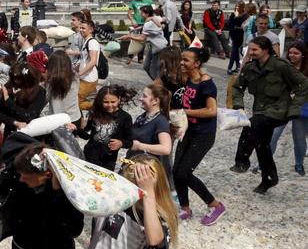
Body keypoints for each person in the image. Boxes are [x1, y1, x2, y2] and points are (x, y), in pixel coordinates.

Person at [230, 36, 308, 193]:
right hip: (261, 110)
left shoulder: (281, 66)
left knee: (251, 126)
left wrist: (295, 107)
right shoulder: (250, 67)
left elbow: (303, 84)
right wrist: (239, 105)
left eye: (254, 50)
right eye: (249, 49)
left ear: (265, 50)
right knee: (262, 144)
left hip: (279, 110)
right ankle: (269, 179)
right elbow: (238, 87)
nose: (250, 52)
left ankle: (242, 161)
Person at [175, 46, 225, 224]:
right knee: (176, 171)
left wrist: (184, 113)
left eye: (186, 60)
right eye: (181, 58)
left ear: (197, 63)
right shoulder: (187, 79)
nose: (181, 62)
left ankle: (215, 205)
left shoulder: (207, 84)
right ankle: (185, 208)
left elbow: (211, 111)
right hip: (188, 131)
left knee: (184, 172)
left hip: (203, 135)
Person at [268, 43, 308, 176]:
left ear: (303, 54)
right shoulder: (283, 67)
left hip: (301, 108)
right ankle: (264, 163)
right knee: (273, 135)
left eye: (296, 53)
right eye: (290, 52)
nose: (292, 55)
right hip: (282, 107)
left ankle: (299, 164)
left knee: (299, 138)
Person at [78, 85, 134, 172]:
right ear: (101, 101)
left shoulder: (125, 117)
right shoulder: (95, 113)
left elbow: (130, 142)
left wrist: (121, 143)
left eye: (113, 102)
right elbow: (87, 136)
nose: (110, 105)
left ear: (119, 99)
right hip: (89, 156)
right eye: (106, 102)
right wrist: (76, 129)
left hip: (108, 161)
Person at [127, 83, 174, 182]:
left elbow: (166, 149)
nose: (140, 98)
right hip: (132, 163)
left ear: (155, 101)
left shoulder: (161, 121)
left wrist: (140, 146)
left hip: (145, 171)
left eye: (144, 96)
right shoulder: (142, 117)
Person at [45, 49, 81, 129]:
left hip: (57, 119)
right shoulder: (75, 76)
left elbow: (46, 97)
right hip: (74, 117)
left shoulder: (51, 81)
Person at [77, 16, 102, 111]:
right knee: (79, 100)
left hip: (88, 78)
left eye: (83, 28)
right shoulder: (86, 41)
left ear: (91, 30)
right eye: (80, 28)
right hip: (85, 77)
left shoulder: (92, 42)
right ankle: (81, 122)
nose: (81, 30)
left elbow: (92, 62)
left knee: (77, 102)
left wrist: (79, 73)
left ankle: (98, 109)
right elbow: (85, 60)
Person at [126, 0, 154, 65]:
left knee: (142, 41)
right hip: (136, 24)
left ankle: (140, 58)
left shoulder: (149, 2)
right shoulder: (133, 2)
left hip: (145, 24)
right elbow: (129, 13)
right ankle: (130, 57)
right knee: (133, 40)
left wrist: (150, 21)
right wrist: (132, 20)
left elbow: (153, 13)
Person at [226, 1, 247, 73]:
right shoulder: (233, 14)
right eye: (236, 6)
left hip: (241, 36)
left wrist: (237, 17)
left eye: (238, 6)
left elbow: (243, 25)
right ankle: (237, 66)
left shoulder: (244, 15)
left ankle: (231, 67)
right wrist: (235, 17)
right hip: (234, 36)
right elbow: (230, 25)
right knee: (235, 51)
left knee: (234, 51)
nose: (237, 8)